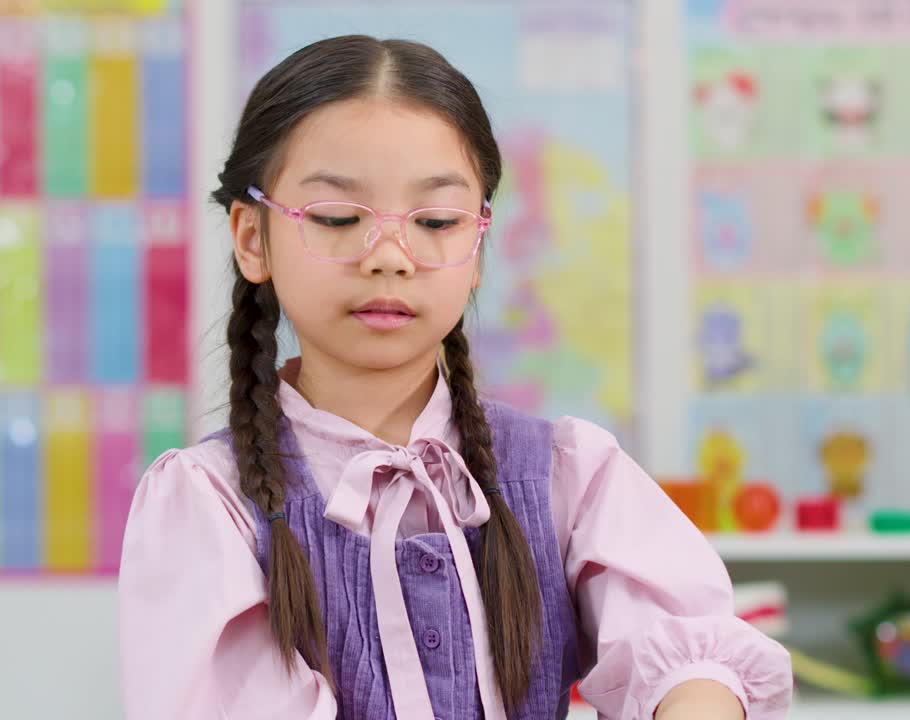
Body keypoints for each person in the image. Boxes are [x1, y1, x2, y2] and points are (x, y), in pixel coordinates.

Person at [118, 35, 791, 720]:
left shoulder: (565, 473)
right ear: (252, 238)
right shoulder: (209, 506)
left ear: (477, 247)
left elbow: (688, 655)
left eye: (437, 220)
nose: (388, 256)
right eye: (338, 218)